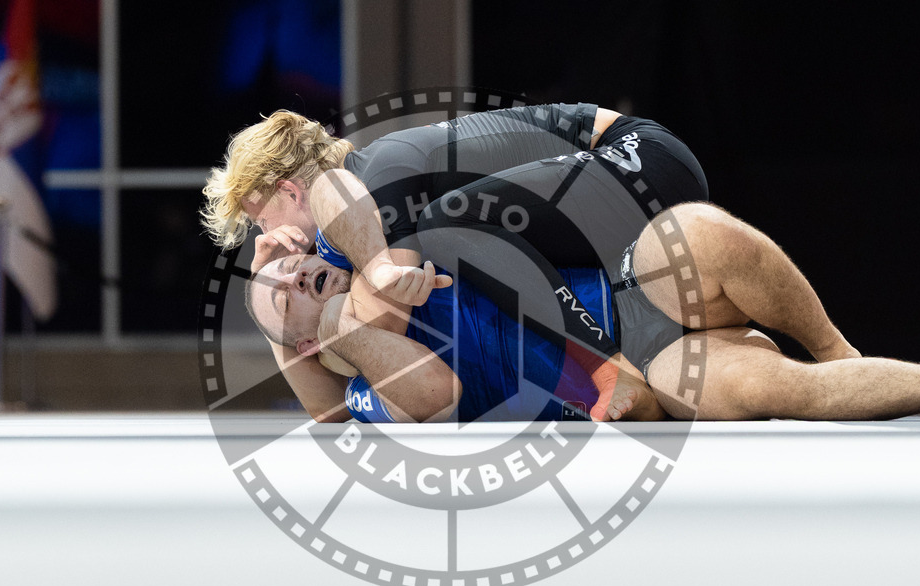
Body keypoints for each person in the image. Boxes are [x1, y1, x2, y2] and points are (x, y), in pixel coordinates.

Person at [203, 103, 714, 420]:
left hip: (639, 159)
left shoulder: (375, 175)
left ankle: (610, 369)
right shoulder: (356, 225)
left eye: (260, 221)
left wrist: (323, 324)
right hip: (627, 218)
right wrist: (272, 299)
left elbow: (382, 326)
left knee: (448, 224)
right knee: (457, 232)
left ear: (290, 191)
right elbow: (326, 407)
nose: (267, 236)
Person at [245, 203, 920, 423]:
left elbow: (338, 176)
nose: (296, 278)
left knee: (698, 231)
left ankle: (838, 346)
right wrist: (317, 332)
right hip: (644, 376)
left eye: (293, 267)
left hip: (624, 297)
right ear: (306, 342)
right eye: (285, 296)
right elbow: (417, 395)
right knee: (779, 390)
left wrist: (276, 250)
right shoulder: (374, 393)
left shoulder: (367, 251)